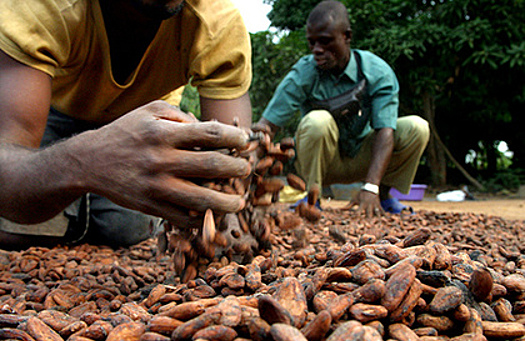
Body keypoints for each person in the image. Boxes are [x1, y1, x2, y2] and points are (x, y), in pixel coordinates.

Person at [0, 0, 253, 249]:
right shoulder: (39, 6)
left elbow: (233, 159)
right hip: (50, 108)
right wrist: (84, 162)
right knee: (19, 231)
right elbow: (6, 165)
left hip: (145, 121)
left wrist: (227, 212)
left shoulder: (218, 21)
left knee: (126, 230)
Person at [255, 0, 430, 217]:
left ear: (346, 36)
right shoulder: (304, 72)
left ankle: (382, 196)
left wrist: (371, 186)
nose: (317, 50)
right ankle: (312, 198)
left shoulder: (376, 71)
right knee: (317, 120)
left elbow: (385, 131)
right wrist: (246, 167)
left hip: (365, 158)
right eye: (312, 43)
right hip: (323, 163)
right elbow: (267, 125)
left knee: (417, 127)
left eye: (326, 41)